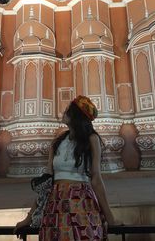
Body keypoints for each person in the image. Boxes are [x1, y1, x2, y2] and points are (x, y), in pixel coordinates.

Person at [15, 95, 120, 240]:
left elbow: (96, 179)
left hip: (81, 201)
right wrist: (28, 219)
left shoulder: (92, 139)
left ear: (76, 116)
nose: (64, 113)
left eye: (67, 111)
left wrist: (110, 218)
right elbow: (46, 183)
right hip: (55, 201)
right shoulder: (57, 141)